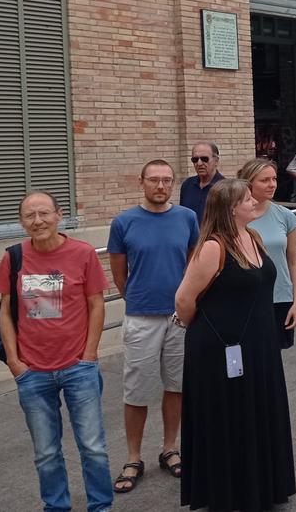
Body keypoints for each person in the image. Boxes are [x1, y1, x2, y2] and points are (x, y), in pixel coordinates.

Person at [173, 179, 295, 510]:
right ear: (230, 208)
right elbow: (184, 301)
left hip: (259, 343)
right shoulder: (214, 247)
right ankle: (229, 493)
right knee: (228, 417)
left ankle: (260, 487)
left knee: (256, 411)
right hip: (219, 347)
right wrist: (214, 330)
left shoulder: (253, 237)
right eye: (247, 199)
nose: (254, 202)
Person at [0, 192, 112, 512]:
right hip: (33, 371)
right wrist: (15, 362)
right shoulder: (13, 256)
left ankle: (101, 506)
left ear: (59, 215)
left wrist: (89, 355)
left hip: (78, 367)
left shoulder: (83, 253)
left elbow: (96, 304)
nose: (38, 221)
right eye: (30, 216)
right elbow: (5, 311)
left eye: (44, 214)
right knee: (46, 452)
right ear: (22, 221)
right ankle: (56, 506)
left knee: (93, 447)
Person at [107, 160, 199, 493]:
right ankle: (133, 456)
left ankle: (169, 448)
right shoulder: (124, 222)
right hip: (142, 317)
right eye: (154, 180)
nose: (160, 186)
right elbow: (119, 273)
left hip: (179, 317)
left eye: (166, 180)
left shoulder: (187, 218)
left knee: (176, 386)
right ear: (141, 182)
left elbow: (193, 261)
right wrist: (136, 297)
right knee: (137, 390)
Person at [240, 159, 296, 348]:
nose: (272, 184)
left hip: (280, 297)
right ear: (249, 183)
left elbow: (293, 262)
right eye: (265, 180)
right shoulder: (236, 217)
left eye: (274, 179)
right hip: (245, 298)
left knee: (274, 357)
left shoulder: (286, 216)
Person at [179, 141, 224, 221]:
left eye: (204, 159)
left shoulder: (226, 188)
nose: (199, 163)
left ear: (216, 161)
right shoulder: (187, 185)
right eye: (195, 159)